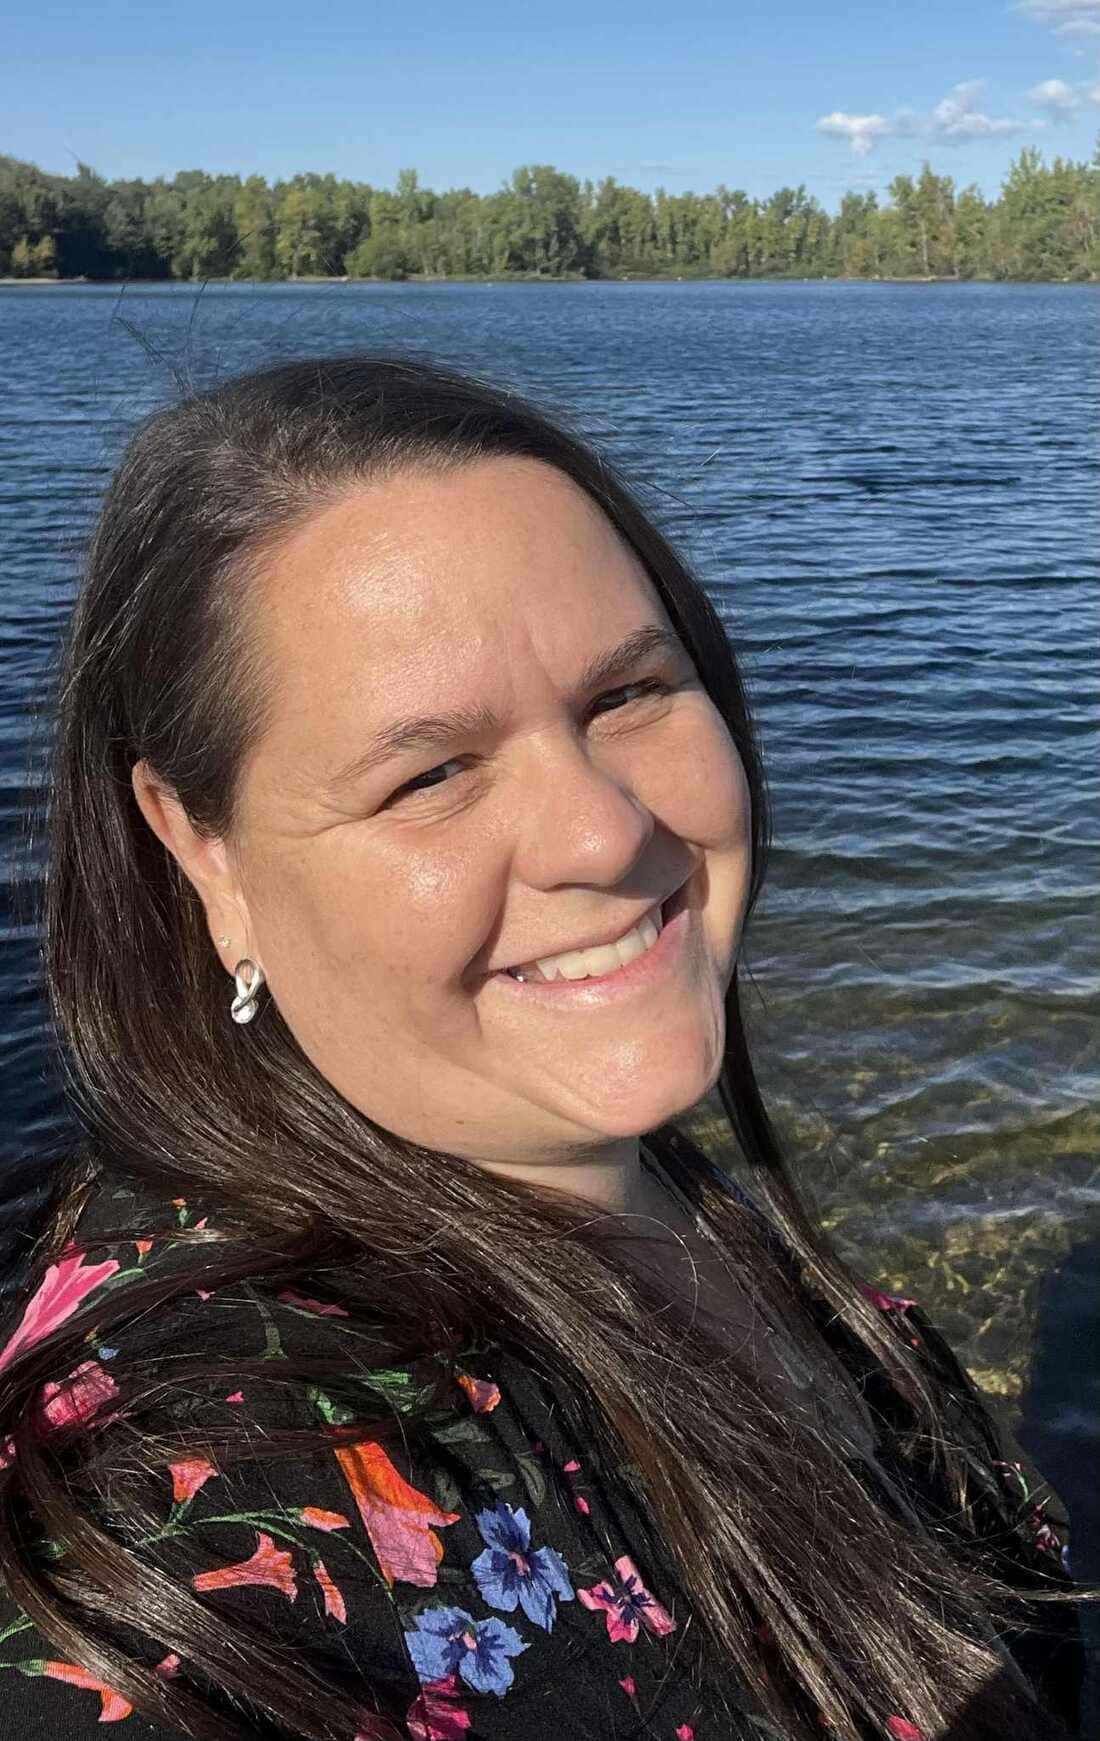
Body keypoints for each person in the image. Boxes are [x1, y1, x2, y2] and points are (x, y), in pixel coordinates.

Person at [0, 355, 1088, 1741]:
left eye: (627, 692)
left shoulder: (605, 1168)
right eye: (430, 773)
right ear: (201, 848)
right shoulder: (199, 1522)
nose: (604, 831)